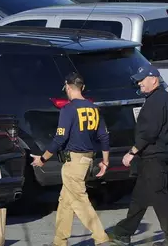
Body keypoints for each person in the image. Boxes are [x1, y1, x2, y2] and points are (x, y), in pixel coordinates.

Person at [108, 65, 168, 246]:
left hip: (154, 156)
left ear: (154, 79)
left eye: (142, 79)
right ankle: (123, 233)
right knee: (139, 197)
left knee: (159, 197)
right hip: (151, 155)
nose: (139, 83)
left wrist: (131, 152)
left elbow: (150, 132)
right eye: (138, 80)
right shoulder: (158, 98)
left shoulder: (157, 100)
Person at [31, 72, 111, 246]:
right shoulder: (94, 108)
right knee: (65, 202)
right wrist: (105, 161)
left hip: (74, 162)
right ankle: (59, 242)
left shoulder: (68, 109)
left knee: (80, 201)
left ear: (67, 87)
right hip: (88, 160)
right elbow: (104, 136)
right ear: (82, 87)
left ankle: (102, 238)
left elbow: (60, 138)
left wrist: (43, 159)